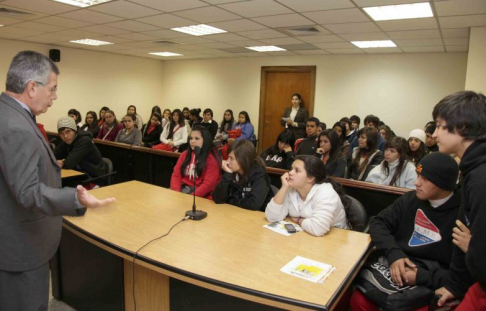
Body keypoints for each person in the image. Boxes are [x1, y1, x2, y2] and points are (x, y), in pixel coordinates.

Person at [0, 50, 114, 310]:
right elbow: (27, 192)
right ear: (31, 87)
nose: (54, 97)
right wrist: (75, 197)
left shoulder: (7, 114)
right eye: (52, 89)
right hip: (21, 245)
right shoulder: (16, 126)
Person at [350, 153, 461, 310]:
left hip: (430, 278)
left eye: (425, 179)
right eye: (418, 175)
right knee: (359, 300)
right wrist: (394, 254)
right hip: (397, 263)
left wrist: (421, 277)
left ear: (443, 183)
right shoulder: (410, 199)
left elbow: (464, 274)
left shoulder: (463, 214)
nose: (416, 182)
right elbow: (378, 222)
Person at [432, 91, 486, 310]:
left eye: (439, 125)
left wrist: (471, 246)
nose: (434, 134)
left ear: (462, 126)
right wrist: (455, 285)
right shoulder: (472, 168)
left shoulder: (481, 178)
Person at [265, 155, 352, 236]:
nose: (290, 173)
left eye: (297, 170)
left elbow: (318, 229)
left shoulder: (325, 192)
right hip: (308, 235)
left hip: (337, 237)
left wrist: (298, 220)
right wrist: (284, 187)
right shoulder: (292, 189)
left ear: (310, 178)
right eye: (291, 169)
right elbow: (272, 217)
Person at [213, 140, 272, 211]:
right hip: (236, 213)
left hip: (258, 216)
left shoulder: (259, 174)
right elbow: (218, 199)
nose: (227, 162)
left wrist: (229, 200)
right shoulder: (231, 172)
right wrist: (227, 175)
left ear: (244, 159)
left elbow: (254, 204)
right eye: (228, 157)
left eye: (231, 158)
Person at [170, 126, 221, 199]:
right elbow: (176, 175)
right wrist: (176, 193)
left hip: (201, 194)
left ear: (205, 140)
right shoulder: (185, 154)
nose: (192, 141)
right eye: (191, 138)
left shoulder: (212, 158)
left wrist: (190, 198)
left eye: (197, 138)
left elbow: (208, 185)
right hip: (183, 189)